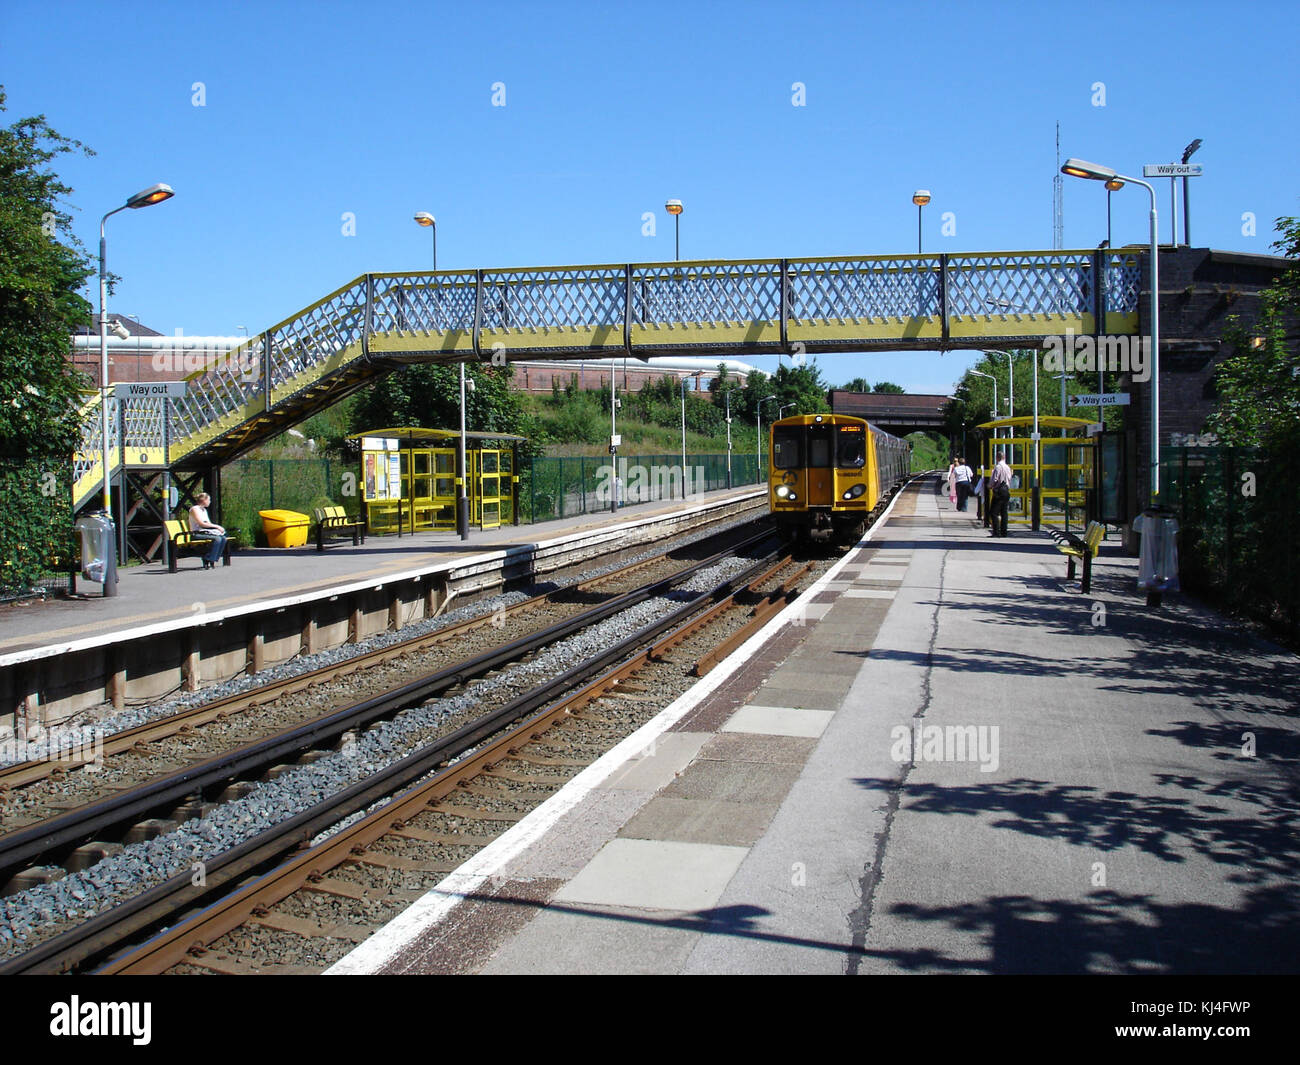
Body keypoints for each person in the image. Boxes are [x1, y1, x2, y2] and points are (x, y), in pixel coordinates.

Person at [188, 492, 227, 569]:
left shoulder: (204, 510)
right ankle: (208, 558)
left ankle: (212, 558)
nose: (210, 501)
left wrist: (217, 529)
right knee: (217, 539)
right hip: (196, 533)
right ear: (204, 500)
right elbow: (201, 523)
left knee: (223, 538)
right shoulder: (194, 509)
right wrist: (217, 526)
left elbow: (208, 523)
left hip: (204, 532)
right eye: (209, 500)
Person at [988, 451, 1012, 537]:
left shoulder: (998, 467)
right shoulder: (1008, 467)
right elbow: (1009, 478)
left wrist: (990, 486)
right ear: (1004, 457)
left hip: (999, 491)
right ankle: (1004, 532)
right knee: (1004, 512)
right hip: (1006, 490)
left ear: (997, 458)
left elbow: (995, 479)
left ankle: (996, 532)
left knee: (994, 512)